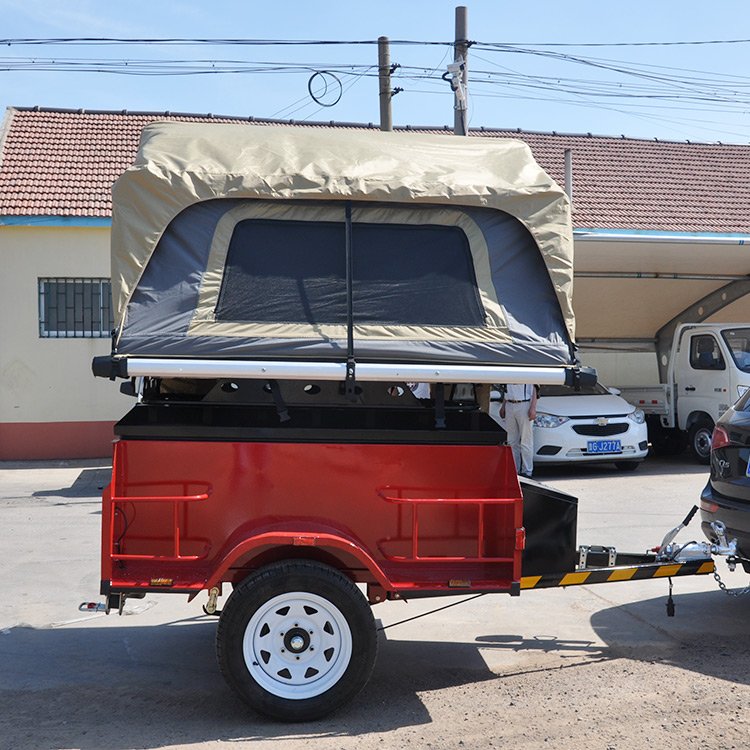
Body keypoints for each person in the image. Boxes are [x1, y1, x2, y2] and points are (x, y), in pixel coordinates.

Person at [499, 382, 538, 478]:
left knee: (526, 440)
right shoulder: (509, 373)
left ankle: (527, 471)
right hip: (510, 404)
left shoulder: (527, 371)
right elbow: (506, 389)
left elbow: (536, 388)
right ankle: (514, 470)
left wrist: (533, 408)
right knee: (512, 441)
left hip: (524, 403)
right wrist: (503, 405)